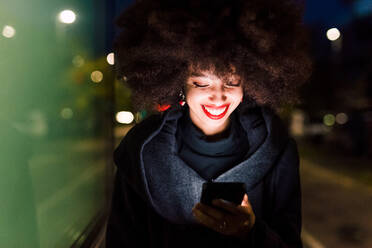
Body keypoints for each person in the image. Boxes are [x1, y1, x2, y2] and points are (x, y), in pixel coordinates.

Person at [106, 0, 312, 247]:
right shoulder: (140, 150)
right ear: (178, 82)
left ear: (251, 82)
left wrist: (252, 232)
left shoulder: (278, 149)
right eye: (201, 83)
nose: (218, 96)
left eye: (232, 82)